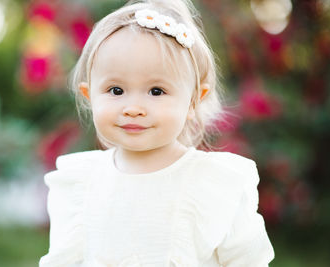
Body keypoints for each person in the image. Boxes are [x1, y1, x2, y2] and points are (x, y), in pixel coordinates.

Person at [39, 0, 275, 266]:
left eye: (156, 91)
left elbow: (247, 261)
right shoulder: (81, 184)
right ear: (89, 95)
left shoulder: (213, 184)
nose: (133, 108)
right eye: (116, 90)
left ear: (193, 101)